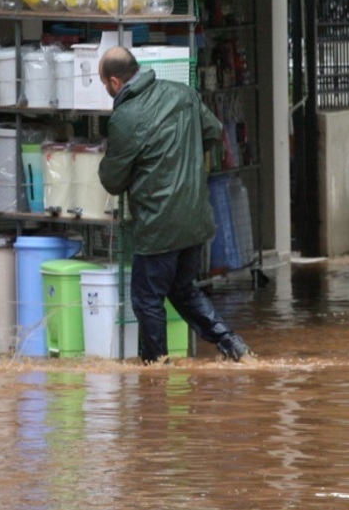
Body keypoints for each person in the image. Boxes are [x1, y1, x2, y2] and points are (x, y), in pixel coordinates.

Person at [97, 46, 252, 363]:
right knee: (183, 290)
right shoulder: (183, 93)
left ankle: (156, 367)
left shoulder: (126, 117)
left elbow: (113, 180)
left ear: (114, 82)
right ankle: (233, 345)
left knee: (146, 298)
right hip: (194, 217)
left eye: (105, 86)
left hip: (159, 223)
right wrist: (186, 157)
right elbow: (213, 131)